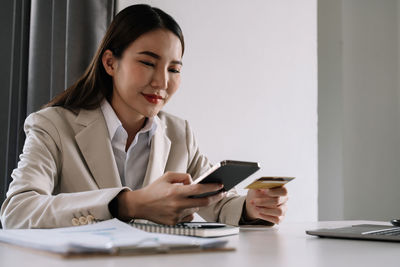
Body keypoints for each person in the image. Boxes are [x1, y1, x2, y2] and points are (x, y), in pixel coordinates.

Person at [0, 4, 288, 229]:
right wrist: (127, 204)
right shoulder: (53, 126)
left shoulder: (179, 133)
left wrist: (252, 207)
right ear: (111, 63)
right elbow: (17, 212)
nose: (162, 82)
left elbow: (213, 200)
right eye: (148, 63)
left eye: (174, 69)